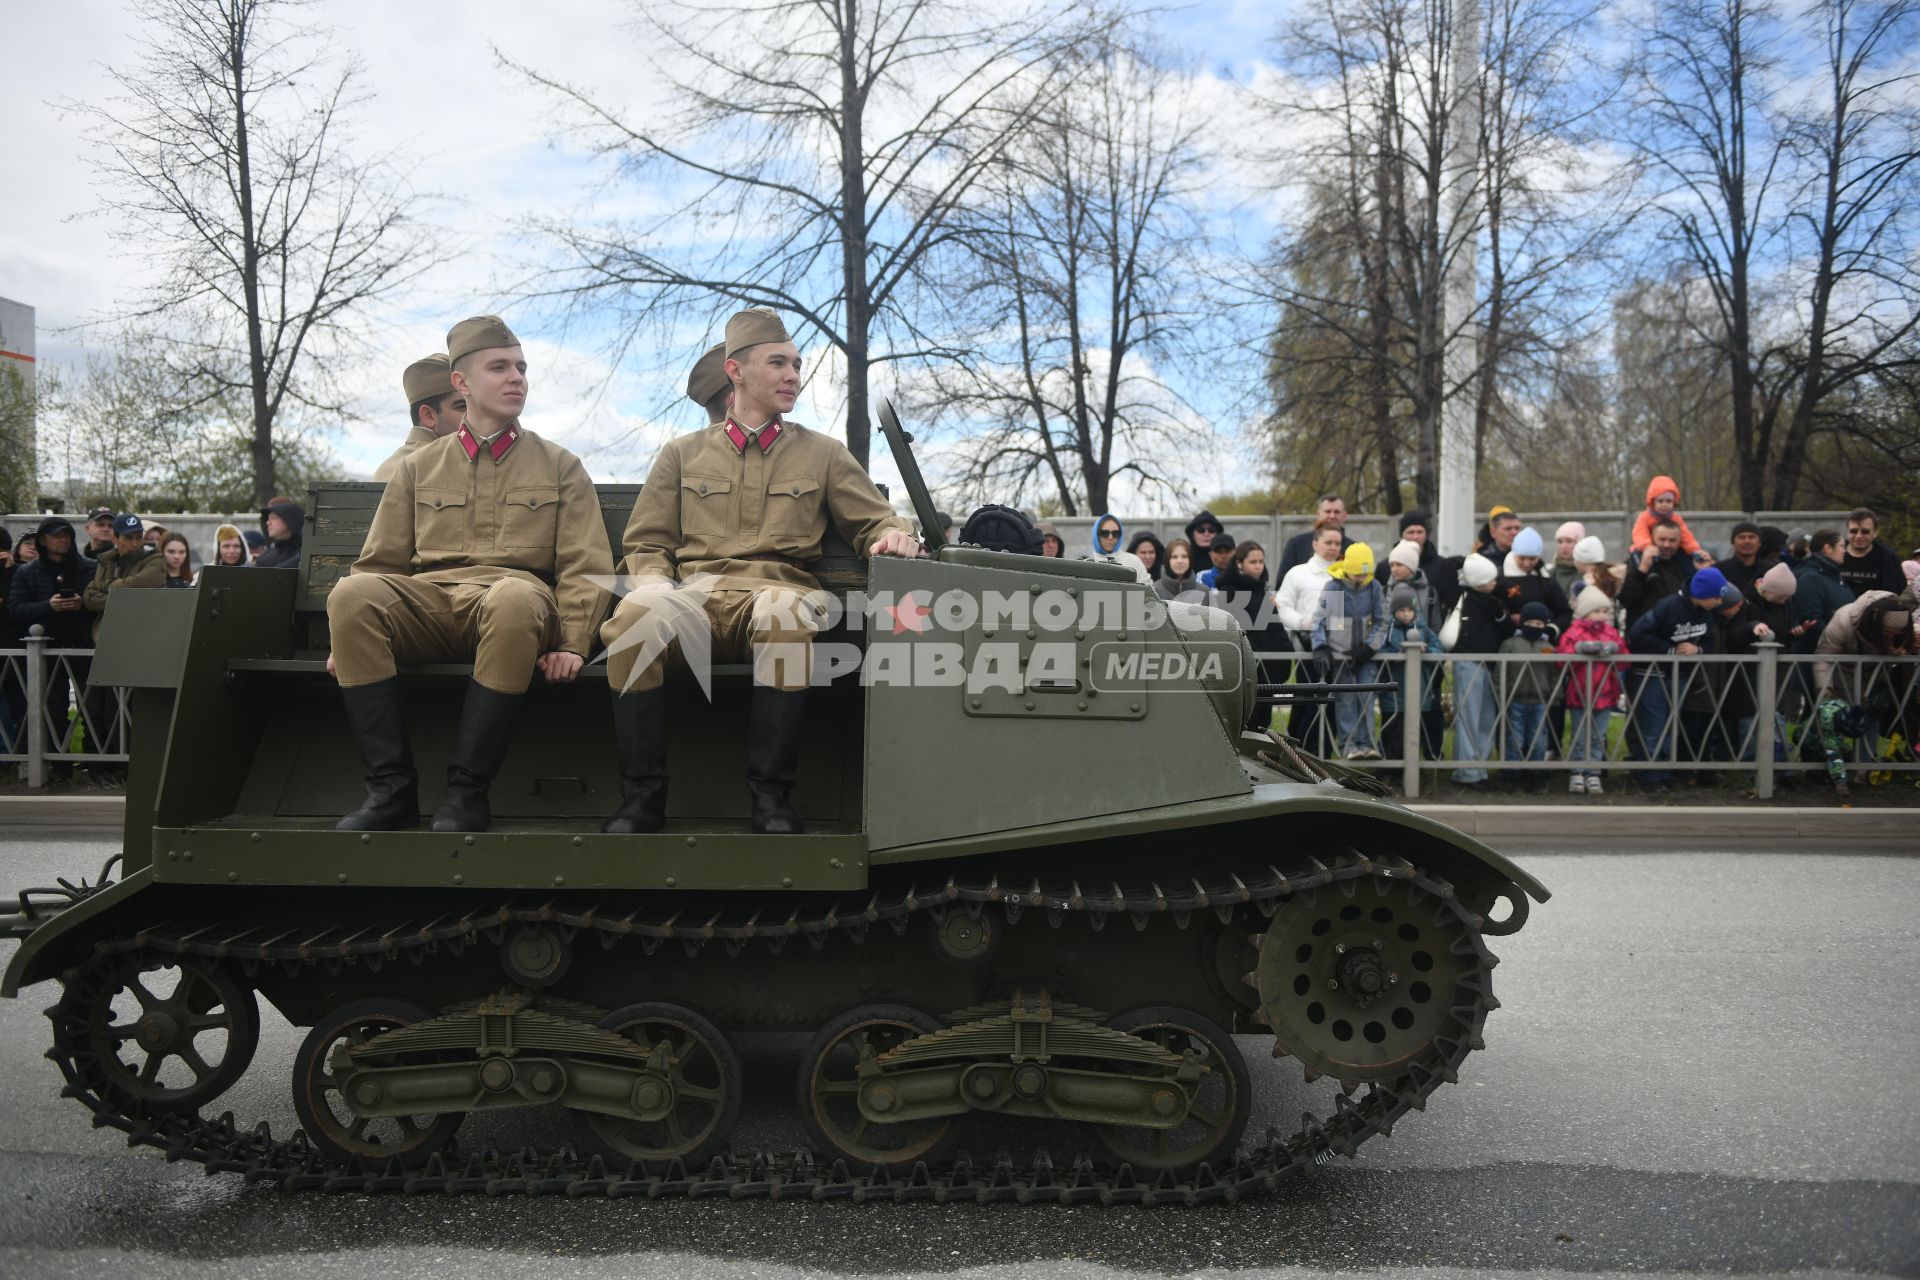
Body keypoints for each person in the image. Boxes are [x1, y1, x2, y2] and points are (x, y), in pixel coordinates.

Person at [600, 307, 920, 835]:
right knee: (636, 614)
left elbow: (876, 521)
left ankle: (771, 797)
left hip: (780, 590)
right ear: (736, 371)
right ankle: (642, 797)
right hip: (695, 595)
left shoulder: (822, 454)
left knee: (784, 613)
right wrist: (654, 579)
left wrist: (892, 533)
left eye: (796, 364)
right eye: (778, 363)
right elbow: (647, 541)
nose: (794, 375)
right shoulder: (682, 455)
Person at [327, 314, 615, 834]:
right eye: (499, 367)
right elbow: (381, 563)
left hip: (520, 607)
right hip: (433, 604)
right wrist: (349, 636)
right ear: (460, 382)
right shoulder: (419, 466)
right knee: (352, 593)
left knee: (511, 597)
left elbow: (585, 564)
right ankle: (390, 790)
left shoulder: (558, 464)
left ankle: (466, 792)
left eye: (522, 368)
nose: (516, 378)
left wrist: (573, 642)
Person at [6, 518, 97, 781]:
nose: (63, 540)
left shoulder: (89, 568)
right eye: (56, 535)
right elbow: (16, 608)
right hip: (48, 649)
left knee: (92, 708)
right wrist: (48, 606)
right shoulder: (28, 572)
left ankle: (97, 767)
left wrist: (83, 603)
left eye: (67, 534)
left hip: (83, 645)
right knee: (53, 709)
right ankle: (60, 768)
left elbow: (102, 600)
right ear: (43, 540)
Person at [1626, 566, 1729, 794]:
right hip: (1652, 675)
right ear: (1702, 594)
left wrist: (1697, 649)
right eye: (1716, 596)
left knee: (1671, 725)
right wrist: (1669, 651)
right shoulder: (1669, 606)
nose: (1720, 601)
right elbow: (1637, 635)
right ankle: (1649, 774)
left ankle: (1663, 771)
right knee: (1653, 726)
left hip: (1678, 675)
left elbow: (1709, 640)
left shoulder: (1705, 612)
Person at [1811, 592, 1915, 799]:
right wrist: (1825, 691)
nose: (1890, 636)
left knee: (1871, 720)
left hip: (1875, 678)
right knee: (1834, 723)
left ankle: (1862, 773)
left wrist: (1899, 650)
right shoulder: (1844, 620)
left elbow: (1900, 646)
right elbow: (1823, 656)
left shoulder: (1898, 617)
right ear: (1874, 621)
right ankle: (1828, 771)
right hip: (1841, 677)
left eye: (1896, 633)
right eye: (1887, 632)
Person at [1311, 543, 1387, 759]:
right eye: (1356, 575)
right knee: (1345, 701)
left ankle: (1368, 744)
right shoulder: (1333, 588)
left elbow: (1382, 621)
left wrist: (1370, 648)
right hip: (1339, 657)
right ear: (1346, 569)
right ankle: (1349, 745)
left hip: (1364, 656)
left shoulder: (1374, 588)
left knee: (1366, 698)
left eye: (1365, 575)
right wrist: (1320, 647)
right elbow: (1319, 621)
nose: (1361, 579)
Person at [1275, 522, 1343, 752]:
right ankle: (1302, 755)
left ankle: (1326, 759)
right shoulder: (1297, 573)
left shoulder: (1346, 574)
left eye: (1337, 543)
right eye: (1328, 542)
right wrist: (1302, 622)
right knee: (1307, 702)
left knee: (1333, 704)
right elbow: (1282, 606)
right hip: (1306, 647)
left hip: (1339, 648)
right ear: (1315, 544)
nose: (1333, 547)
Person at [1212, 541, 1293, 729]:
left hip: (1267, 668)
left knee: (1264, 722)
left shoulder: (1264, 590)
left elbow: (1275, 627)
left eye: (1261, 561)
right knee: (1245, 721)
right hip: (1243, 669)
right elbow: (1232, 629)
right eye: (1253, 562)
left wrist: (1285, 650)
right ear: (1239, 563)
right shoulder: (1228, 591)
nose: (1258, 566)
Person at [1449, 555, 1512, 789]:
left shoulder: (1492, 600)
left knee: (1485, 717)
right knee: (1469, 717)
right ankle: (1467, 771)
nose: (1495, 583)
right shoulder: (1465, 597)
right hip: (1470, 662)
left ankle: (1480, 768)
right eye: (1490, 579)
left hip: (1487, 663)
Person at [1558, 586, 1625, 795]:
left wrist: (1616, 650)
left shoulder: (1611, 633)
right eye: (1597, 611)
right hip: (1580, 693)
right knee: (1579, 735)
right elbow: (1561, 659)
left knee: (1598, 735)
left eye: (1605, 611)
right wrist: (1578, 650)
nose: (1602, 616)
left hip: (1605, 693)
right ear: (1585, 612)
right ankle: (1577, 772)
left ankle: (1593, 772)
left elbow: (1624, 659)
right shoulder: (1574, 632)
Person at [1498, 602, 1561, 792]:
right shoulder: (1510, 645)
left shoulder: (1548, 647)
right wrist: (1501, 693)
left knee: (1538, 740)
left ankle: (1536, 775)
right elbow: (1501, 672)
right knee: (1515, 739)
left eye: (1539, 624)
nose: (1534, 627)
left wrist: (1555, 695)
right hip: (1515, 699)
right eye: (1531, 622)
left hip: (1540, 701)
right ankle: (1513, 775)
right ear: (1523, 622)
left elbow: (1553, 675)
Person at [375, 354, 467, 481]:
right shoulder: (451, 467)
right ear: (429, 416)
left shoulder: (387, 467)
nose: (475, 415)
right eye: (462, 407)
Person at [1380, 583, 1442, 764]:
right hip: (1394, 694)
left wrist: (1427, 651)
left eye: (1409, 609)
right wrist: (1396, 656)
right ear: (1394, 611)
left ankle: (1413, 768)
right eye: (1401, 610)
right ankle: (1391, 767)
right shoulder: (1388, 630)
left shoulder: (1423, 629)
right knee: (1393, 731)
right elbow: (1381, 650)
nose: (1406, 614)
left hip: (1419, 691)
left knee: (1415, 731)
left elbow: (1439, 647)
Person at [83, 513, 166, 638]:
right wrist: (127, 600)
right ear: (115, 538)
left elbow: (134, 586)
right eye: (128, 538)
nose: (134, 543)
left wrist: (105, 586)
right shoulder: (108, 560)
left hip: (142, 634)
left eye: (138, 537)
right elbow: (89, 597)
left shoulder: (154, 559)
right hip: (107, 636)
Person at [1375, 510, 1460, 610]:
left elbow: (1452, 605)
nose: (1415, 537)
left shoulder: (1443, 567)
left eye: (1420, 532)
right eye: (1410, 532)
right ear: (1401, 535)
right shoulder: (1384, 568)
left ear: (1426, 534)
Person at [1620, 519, 1692, 630]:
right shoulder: (1636, 562)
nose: (1667, 545)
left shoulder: (1686, 564)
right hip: (1644, 632)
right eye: (1662, 539)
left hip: (1679, 631)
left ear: (1680, 541)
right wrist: (1642, 570)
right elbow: (1626, 600)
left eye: (1672, 540)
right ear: (1652, 539)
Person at [1497, 527, 1573, 632]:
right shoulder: (1499, 579)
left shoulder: (1546, 579)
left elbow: (1564, 612)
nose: (1527, 564)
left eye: (1532, 559)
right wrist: (1507, 619)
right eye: (1522, 558)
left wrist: (1552, 630)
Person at [1791, 529, 1855, 653]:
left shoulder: (1834, 575)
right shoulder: (1810, 578)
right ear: (1828, 548)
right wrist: (1842, 644)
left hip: (1836, 657)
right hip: (1815, 658)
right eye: (1842, 546)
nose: (1844, 550)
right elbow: (1811, 621)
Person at [1629, 476, 1710, 562]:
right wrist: (1647, 546)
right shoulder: (1645, 517)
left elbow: (1685, 535)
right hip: (1647, 548)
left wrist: (1694, 550)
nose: (1665, 504)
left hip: (1670, 551)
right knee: (1638, 556)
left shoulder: (1676, 518)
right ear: (1652, 502)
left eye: (1668, 501)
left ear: (1674, 502)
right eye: (1660, 501)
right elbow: (1639, 534)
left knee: (1685, 558)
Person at [1277, 495, 1351, 582]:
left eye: (1337, 512)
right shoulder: (1296, 544)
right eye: (1328, 511)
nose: (1332, 516)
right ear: (1318, 514)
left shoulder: (1353, 548)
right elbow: (1282, 583)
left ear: (1345, 515)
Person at [1836, 508, 1905, 597]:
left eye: (1865, 531)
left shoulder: (1888, 558)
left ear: (1875, 532)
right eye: (1853, 531)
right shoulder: (1834, 555)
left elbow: (1897, 592)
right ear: (1847, 531)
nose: (1858, 536)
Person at [1718, 521, 1776, 598]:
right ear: (1733, 542)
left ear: (1759, 542)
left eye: (1752, 537)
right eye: (1741, 537)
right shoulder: (1720, 570)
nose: (1747, 541)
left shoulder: (1770, 571)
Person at [255, 496, 305, 570]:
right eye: (268, 519)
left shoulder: (306, 556)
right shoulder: (263, 559)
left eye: (274, 517)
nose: (268, 523)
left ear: (290, 520)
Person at [1550, 522, 1586, 600]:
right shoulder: (1549, 574)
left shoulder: (1586, 573)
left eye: (1569, 541)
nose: (1563, 546)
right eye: (1560, 542)